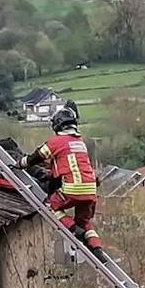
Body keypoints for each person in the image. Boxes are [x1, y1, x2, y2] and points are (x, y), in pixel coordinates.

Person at [17, 107, 103, 254]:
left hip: (72, 189)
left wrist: (21, 163)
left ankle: (75, 230)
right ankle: (96, 248)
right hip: (90, 191)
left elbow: (37, 156)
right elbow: (71, 166)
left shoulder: (57, 142)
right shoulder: (80, 143)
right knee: (85, 221)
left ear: (58, 125)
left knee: (49, 206)